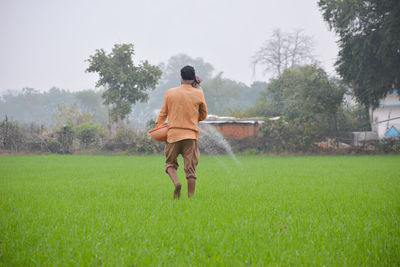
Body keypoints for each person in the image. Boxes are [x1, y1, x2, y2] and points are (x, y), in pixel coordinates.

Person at [156, 66, 208, 199]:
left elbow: (163, 113)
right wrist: (193, 119)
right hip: (190, 136)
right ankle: (190, 199)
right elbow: (203, 114)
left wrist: (159, 128)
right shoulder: (198, 93)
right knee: (191, 170)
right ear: (193, 78)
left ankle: (177, 183)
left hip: (173, 135)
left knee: (170, 164)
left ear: (181, 77)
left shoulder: (170, 92)